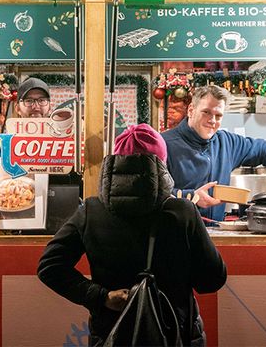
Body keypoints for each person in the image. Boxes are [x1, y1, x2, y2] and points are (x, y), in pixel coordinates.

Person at [38, 124, 227, 346]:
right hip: (176, 334)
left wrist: (102, 297)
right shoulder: (183, 212)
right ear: (161, 164)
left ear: (115, 162)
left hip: (111, 335)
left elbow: (50, 267)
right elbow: (211, 281)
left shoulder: (91, 211)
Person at [162, 85, 266, 221]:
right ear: (191, 110)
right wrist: (191, 197)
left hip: (215, 234)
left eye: (218, 115)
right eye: (206, 112)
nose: (212, 120)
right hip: (177, 235)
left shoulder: (227, 142)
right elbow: (150, 194)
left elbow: (263, 148)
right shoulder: (164, 144)